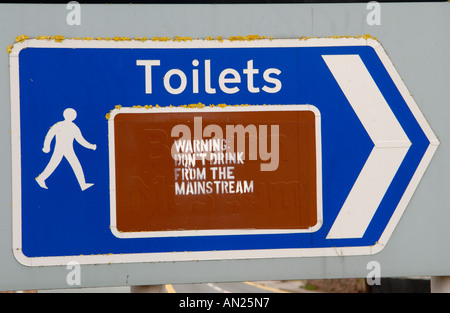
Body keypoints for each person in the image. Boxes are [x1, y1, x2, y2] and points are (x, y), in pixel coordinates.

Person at [36, 108, 96, 191]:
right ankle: (41, 178)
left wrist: (91, 146)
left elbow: (81, 140)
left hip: (68, 149)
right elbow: (50, 135)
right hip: (60, 149)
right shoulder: (60, 125)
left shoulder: (72, 127)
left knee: (73, 165)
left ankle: (83, 184)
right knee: (58, 165)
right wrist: (46, 146)